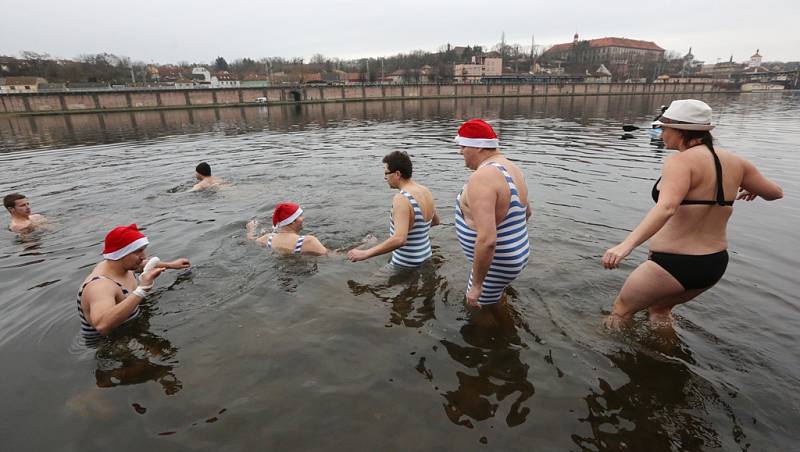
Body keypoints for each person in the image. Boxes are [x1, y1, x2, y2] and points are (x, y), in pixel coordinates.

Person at [602, 99, 783, 329]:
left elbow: (667, 207)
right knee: (660, 310)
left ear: (680, 130)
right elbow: (775, 193)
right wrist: (751, 189)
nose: (662, 133)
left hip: (672, 264)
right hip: (714, 263)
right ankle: (667, 361)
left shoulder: (679, 162)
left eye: (665, 128)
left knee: (620, 312)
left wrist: (625, 246)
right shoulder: (736, 162)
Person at [454, 119, 532, 307]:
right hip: (515, 254)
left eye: (463, 147)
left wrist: (477, 285)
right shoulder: (512, 168)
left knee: (479, 310)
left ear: (479, 147)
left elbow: (487, 240)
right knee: (493, 297)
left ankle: (501, 333)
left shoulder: (483, 177)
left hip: (496, 262)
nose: (460, 152)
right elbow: (527, 212)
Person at [78, 224, 191, 344]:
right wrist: (142, 289)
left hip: (128, 327)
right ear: (121, 254)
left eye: (143, 250)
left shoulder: (121, 265)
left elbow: (142, 265)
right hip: (109, 343)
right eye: (138, 251)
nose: (144, 256)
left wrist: (172, 265)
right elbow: (102, 325)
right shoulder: (100, 286)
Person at [347, 151, 440, 267]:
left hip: (405, 264)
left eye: (386, 173)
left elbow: (400, 239)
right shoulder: (425, 191)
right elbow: (436, 221)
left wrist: (365, 253)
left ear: (397, 174)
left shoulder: (401, 199)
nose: (385, 177)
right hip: (426, 257)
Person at [246, 202, 328, 256]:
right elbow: (331, 257)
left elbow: (251, 240)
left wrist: (251, 229)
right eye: (300, 216)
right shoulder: (308, 241)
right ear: (292, 221)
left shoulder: (267, 238)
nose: (303, 218)